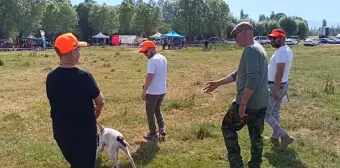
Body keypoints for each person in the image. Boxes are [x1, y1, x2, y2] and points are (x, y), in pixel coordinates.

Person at [203, 22, 268, 168]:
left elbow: (253, 78)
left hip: (247, 104)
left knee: (227, 127)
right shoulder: (259, 48)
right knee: (256, 136)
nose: (235, 38)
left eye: (235, 35)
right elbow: (238, 74)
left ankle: (236, 164)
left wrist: (243, 103)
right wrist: (217, 83)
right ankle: (255, 164)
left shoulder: (250, 50)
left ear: (244, 32)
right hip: (261, 103)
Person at [46, 33, 105, 168]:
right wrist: (96, 114)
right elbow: (100, 101)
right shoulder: (84, 77)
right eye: (78, 49)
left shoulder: (51, 77)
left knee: (75, 162)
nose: (79, 52)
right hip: (84, 135)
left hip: (62, 133)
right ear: (73, 52)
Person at [266, 29, 294, 149]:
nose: (271, 40)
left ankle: (285, 136)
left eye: (275, 38)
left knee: (265, 113)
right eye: (271, 38)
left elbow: (280, 71)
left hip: (275, 85)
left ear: (282, 38)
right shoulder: (286, 50)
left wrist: (276, 89)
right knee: (275, 111)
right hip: (281, 85)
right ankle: (274, 137)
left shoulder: (282, 52)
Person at [139, 41, 167, 141]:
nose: (145, 54)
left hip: (153, 92)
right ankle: (162, 128)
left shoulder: (152, 61)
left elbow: (149, 76)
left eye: (146, 52)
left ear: (152, 49)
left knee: (150, 111)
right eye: (143, 53)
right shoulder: (163, 58)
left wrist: (144, 91)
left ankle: (153, 134)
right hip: (162, 90)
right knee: (157, 109)